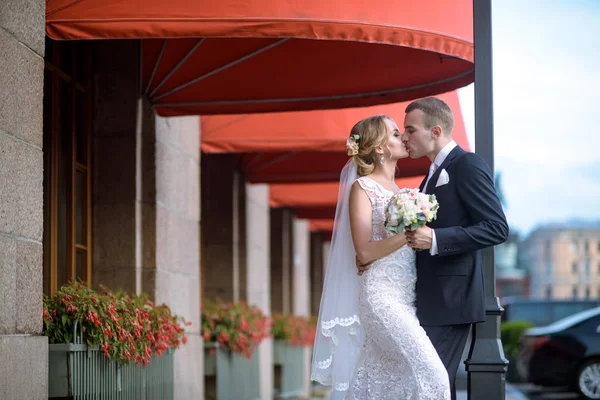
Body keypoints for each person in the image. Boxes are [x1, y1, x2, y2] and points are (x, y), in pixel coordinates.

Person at [359, 97, 509, 400]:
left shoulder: (466, 164)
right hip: (423, 299)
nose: (404, 137)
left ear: (435, 131)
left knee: (431, 383)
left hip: (451, 300)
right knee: (428, 385)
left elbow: (496, 227)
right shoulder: (428, 176)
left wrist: (437, 240)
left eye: (410, 130)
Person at [311, 115, 450, 400]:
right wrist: (410, 232)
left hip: (406, 297)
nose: (405, 139)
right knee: (434, 377)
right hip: (380, 297)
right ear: (379, 148)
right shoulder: (362, 188)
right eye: (397, 134)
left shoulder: (403, 193)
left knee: (386, 383)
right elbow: (364, 251)